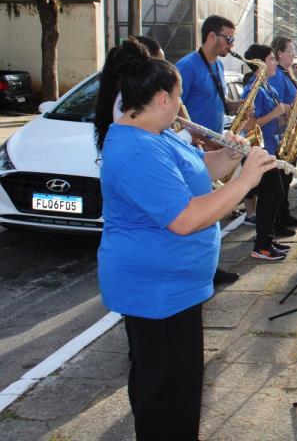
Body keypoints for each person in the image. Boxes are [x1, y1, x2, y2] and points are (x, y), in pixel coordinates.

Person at [94, 40, 275, 439]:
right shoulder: (135, 149)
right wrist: (246, 181)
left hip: (177, 291)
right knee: (165, 402)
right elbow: (185, 218)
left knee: (179, 395)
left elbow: (198, 171)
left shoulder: (157, 132)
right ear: (160, 98)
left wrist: (232, 157)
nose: (181, 106)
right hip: (154, 294)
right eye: (177, 98)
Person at [175, 15, 243, 285]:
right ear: (211, 36)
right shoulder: (187, 67)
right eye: (228, 38)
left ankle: (210, 266)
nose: (231, 44)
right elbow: (176, 112)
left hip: (213, 146)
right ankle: (199, 271)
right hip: (195, 148)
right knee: (200, 215)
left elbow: (217, 99)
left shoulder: (217, 66)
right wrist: (198, 139)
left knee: (213, 218)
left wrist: (237, 105)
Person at [243, 43, 297, 260]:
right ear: (259, 65)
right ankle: (262, 245)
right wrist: (276, 113)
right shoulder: (253, 88)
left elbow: (275, 118)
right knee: (272, 194)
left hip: (272, 146)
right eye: (271, 59)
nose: (274, 63)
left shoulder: (267, 87)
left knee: (273, 195)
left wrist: (289, 123)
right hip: (260, 150)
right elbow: (250, 125)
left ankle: (266, 242)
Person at [268, 36, 297, 230]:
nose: (294, 55)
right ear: (279, 53)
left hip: (291, 132)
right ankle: (278, 219)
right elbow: (276, 104)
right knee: (281, 180)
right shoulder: (276, 75)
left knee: (287, 178)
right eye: (290, 51)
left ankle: (284, 215)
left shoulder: (286, 73)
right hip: (282, 134)